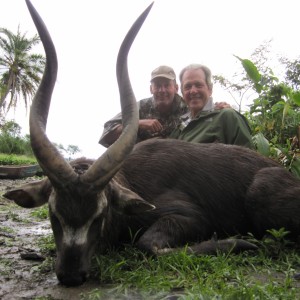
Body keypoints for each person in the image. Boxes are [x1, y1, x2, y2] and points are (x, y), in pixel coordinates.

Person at [99, 65, 230, 147]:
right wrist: (138, 123)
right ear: (151, 89)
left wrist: (221, 107)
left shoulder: (187, 106)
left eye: (167, 85)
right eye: (157, 86)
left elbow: (207, 114)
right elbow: (107, 133)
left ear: (176, 88)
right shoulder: (139, 108)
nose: (162, 90)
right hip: (140, 163)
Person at [169, 64, 254, 149]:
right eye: (188, 87)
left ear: (210, 89)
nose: (193, 91)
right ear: (183, 93)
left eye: (198, 85)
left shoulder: (227, 117)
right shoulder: (180, 125)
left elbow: (248, 158)